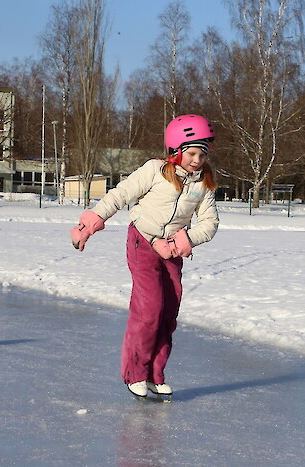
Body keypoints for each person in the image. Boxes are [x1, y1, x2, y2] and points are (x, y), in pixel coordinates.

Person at [70, 114, 219, 399]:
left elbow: (209, 224)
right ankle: (135, 374)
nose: (197, 160)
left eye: (202, 154)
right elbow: (120, 194)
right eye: (191, 153)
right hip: (142, 242)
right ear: (176, 151)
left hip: (171, 251)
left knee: (168, 314)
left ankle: (154, 375)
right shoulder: (155, 170)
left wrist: (180, 242)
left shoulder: (204, 185)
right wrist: (88, 224)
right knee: (149, 309)